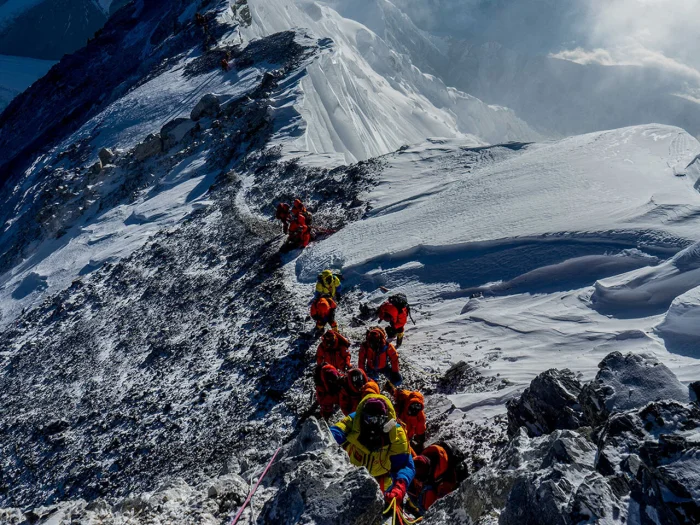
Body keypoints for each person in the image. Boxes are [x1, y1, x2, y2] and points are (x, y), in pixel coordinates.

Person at [330, 394, 415, 506]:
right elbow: (335, 433)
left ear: (385, 419)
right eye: (369, 419)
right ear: (362, 415)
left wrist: (399, 486)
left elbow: (404, 465)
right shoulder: (354, 420)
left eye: (377, 419)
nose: (372, 423)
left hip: (382, 482)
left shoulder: (396, 433)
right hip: (351, 476)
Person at [407, 444, 460, 516]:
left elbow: (441, 505)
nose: (418, 481)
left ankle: (420, 512)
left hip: (441, 491)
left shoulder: (445, 478)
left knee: (427, 497)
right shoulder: (427, 460)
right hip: (432, 484)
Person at [390, 386, 427, 452]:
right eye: (412, 406)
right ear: (408, 403)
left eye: (417, 407)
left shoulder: (420, 417)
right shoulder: (402, 402)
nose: (414, 410)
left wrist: (421, 443)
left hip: (407, 435)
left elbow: (421, 430)